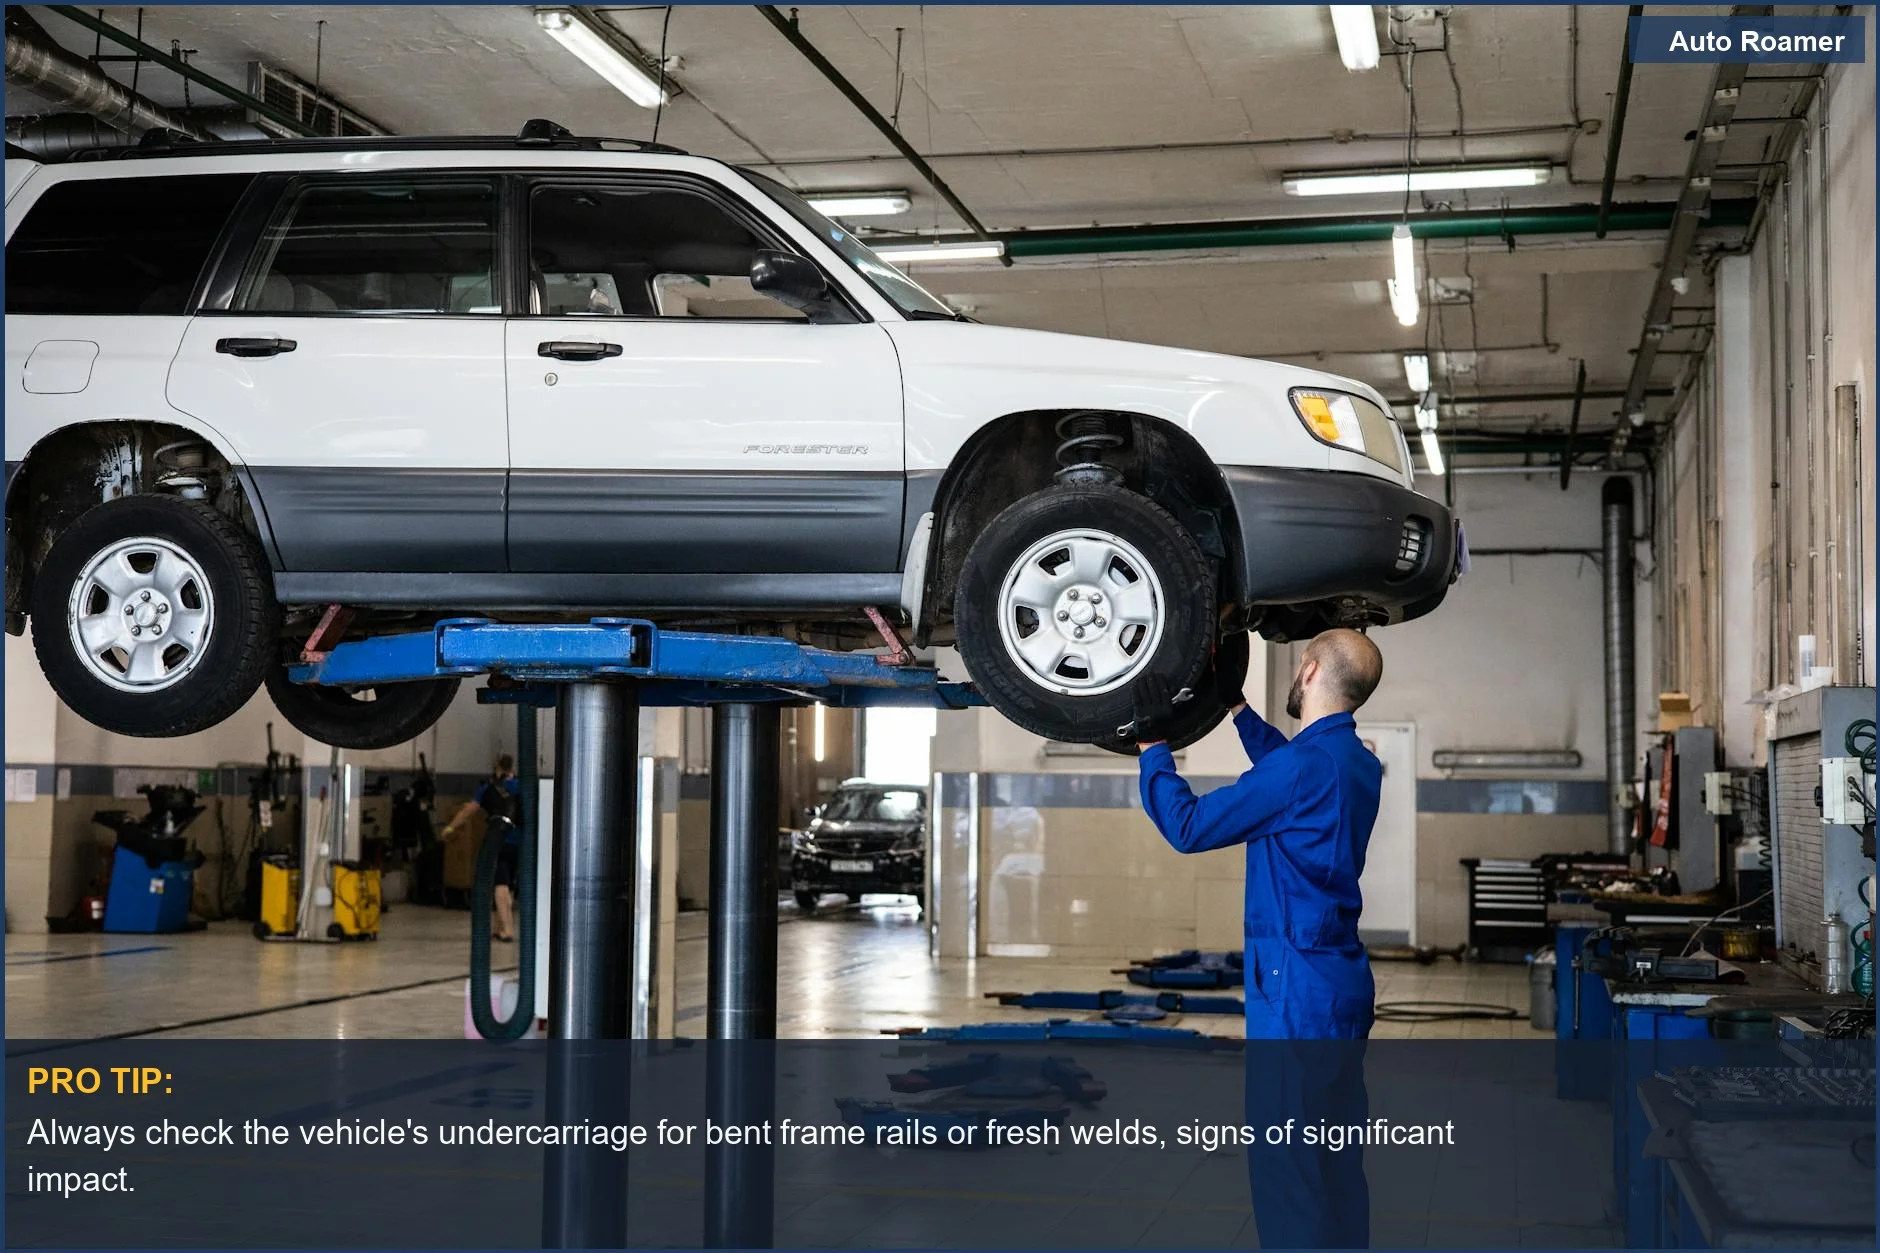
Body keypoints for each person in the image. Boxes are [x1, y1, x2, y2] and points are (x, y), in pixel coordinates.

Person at [1131, 628, 1385, 1249]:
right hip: (1340, 985)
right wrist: (1236, 710)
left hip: (1294, 991)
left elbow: (1189, 827)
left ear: (1309, 667)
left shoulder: (1301, 769)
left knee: (1288, 1169)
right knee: (1334, 1162)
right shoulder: (1356, 762)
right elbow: (1289, 770)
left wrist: (1152, 747)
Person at [441, 754, 522, 943]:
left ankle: (508, 930)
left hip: (499, 841)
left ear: (497, 769)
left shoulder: (488, 788)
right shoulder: (521, 787)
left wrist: (451, 828)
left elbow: (468, 811)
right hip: (520, 843)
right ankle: (499, 927)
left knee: (499, 885)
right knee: (508, 886)